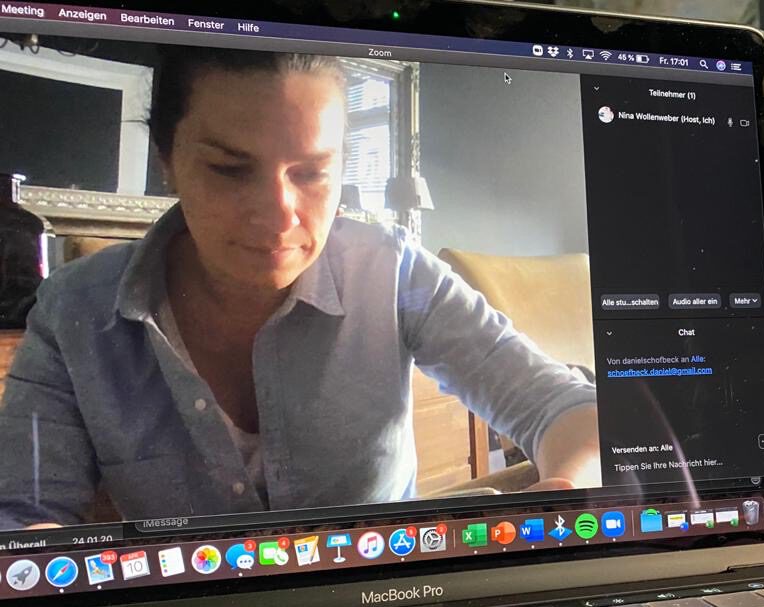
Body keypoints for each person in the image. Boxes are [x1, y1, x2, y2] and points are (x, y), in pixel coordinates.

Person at [0, 47, 600, 530]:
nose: (279, 213)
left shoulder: (391, 271)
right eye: (231, 169)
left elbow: (562, 406)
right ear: (167, 158)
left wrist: (566, 491)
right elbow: (24, 511)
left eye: (312, 172)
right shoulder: (74, 311)